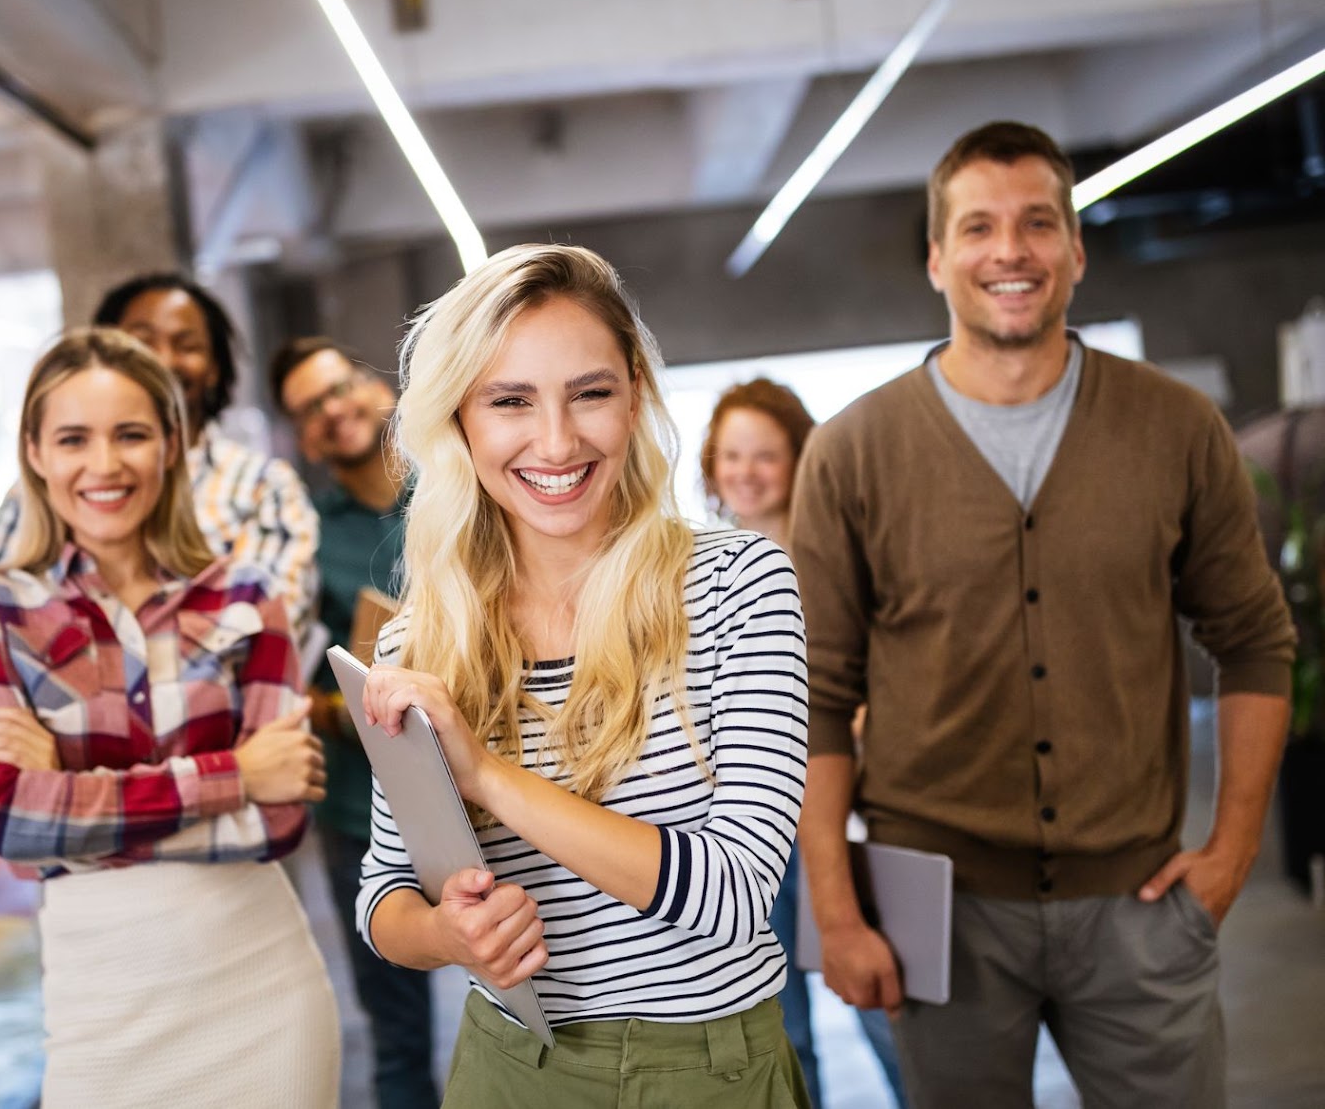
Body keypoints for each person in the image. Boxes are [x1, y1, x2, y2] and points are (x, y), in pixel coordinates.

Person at [791, 121, 1295, 1109]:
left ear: (1075, 248)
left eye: (1036, 223)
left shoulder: (1175, 427)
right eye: (977, 226)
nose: (1009, 250)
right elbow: (814, 699)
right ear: (938, 258)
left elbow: (1254, 642)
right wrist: (835, 910)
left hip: (1142, 898)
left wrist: (1231, 852)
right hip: (934, 904)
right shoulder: (853, 452)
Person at [354, 243, 812, 1107]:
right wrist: (449, 936)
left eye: (589, 393)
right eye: (511, 401)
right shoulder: (422, 639)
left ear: (634, 391)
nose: (557, 442)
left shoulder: (739, 585)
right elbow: (383, 896)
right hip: (507, 1067)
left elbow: (737, 892)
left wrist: (485, 774)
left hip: (707, 1073)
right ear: (461, 419)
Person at [0, 328, 340, 1108]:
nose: (104, 465)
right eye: (73, 439)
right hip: (101, 1007)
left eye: (131, 434)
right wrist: (235, 774)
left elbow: (282, 819)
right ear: (34, 452)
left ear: (171, 445)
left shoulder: (245, 598)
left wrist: (72, 787)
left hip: (263, 988)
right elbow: (13, 821)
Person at [701, 378, 909, 1109]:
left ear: (800, 459)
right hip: (745, 828)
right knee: (779, 1025)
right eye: (731, 455)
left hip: (846, 813)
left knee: (887, 1002)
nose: (746, 472)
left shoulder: (836, 557)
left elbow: (880, 676)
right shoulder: (697, 565)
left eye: (765, 455)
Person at [270, 335, 440, 1109]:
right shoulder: (304, 538)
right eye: (310, 409)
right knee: (397, 1029)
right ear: (302, 436)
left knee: (551, 992)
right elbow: (289, 682)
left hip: (503, 777)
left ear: (375, 386)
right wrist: (342, 706)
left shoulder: (456, 489)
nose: (333, 411)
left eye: (338, 388)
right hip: (363, 810)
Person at [0, 272, 319, 637]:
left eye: (187, 345)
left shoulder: (263, 485)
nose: (164, 360)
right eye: (142, 342)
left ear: (215, 368)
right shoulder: (47, 485)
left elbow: (267, 633)